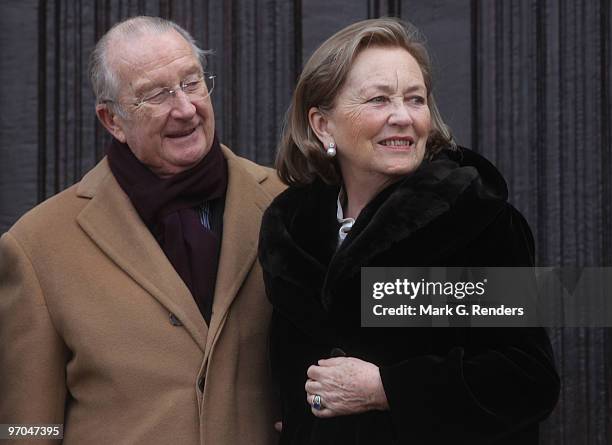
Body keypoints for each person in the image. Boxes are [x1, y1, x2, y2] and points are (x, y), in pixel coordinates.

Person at [258, 17, 559, 444]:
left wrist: (387, 389)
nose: (402, 117)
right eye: (379, 100)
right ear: (322, 125)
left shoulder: (477, 220)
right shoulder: (289, 231)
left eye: (415, 100)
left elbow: (528, 380)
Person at [0, 16, 284, 444]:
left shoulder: (285, 204)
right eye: (156, 95)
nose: (186, 108)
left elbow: (380, 313)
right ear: (111, 120)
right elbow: (27, 429)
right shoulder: (37, 245)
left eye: (192, 83)